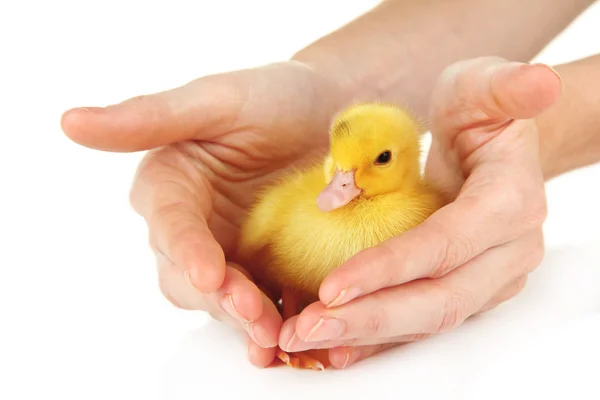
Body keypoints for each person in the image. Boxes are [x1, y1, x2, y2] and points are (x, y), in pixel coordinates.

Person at [60, 0, 600, 369]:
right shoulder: (322, 191)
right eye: (340, 168)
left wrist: (528, 132)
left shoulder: (422, 205)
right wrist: (335, 83)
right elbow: (261, 235)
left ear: (407, 158)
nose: (343, 184)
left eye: (376, 163)